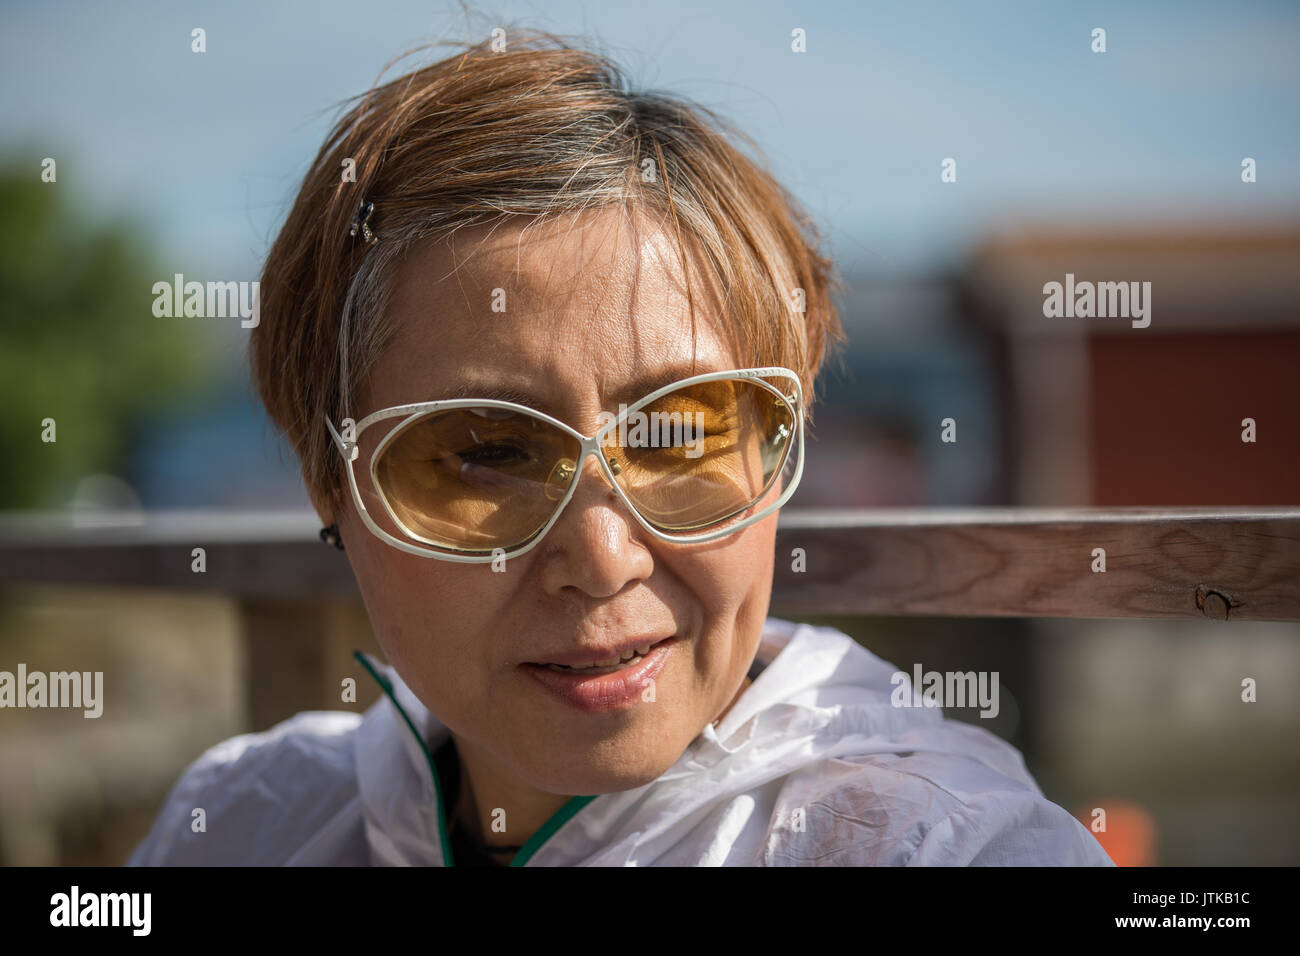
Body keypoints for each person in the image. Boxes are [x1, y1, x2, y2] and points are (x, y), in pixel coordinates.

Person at [128, 32, 1112, 866]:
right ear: (329, 483)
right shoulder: (249, 819)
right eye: (487, 453)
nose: (604, 556)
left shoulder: (941, 844)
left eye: (680, 431)